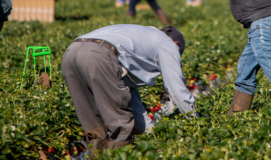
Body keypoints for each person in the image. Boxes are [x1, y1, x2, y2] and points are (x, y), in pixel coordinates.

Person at [61, 24, 195, 156]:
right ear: (176, 43)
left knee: (94, 128)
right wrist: (194, 121)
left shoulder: (140, 38)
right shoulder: (168, 44)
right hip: (100, 54)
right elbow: (176, 89)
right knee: (121, 126)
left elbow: (131, 98)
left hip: (71, 52)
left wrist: (151, 134)